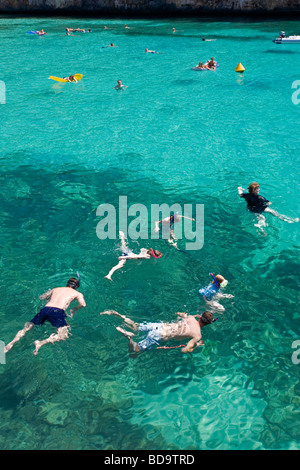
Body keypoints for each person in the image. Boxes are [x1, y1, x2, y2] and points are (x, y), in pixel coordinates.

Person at [4, 275, 86, 356]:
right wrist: (74, 309)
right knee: (63, 335)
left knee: (27, 327)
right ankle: (40, 343)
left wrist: (48, 300)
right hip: (58, 311)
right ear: (76, 286)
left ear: (67, 284)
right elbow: (83, 304)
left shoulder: (56, 289)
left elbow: (42, 297)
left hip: (46, 309)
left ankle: (12, 342)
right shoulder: (77, 293)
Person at [100, 309, 217, 354]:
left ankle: (118, 314)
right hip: (160, 336)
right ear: (208, 324)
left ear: (200, 317)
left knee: (135, 326)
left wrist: (192, 315)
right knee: (135, 352)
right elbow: (184, 349)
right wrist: (194, 346)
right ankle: (129, 337)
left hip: (160, 325)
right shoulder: (197, 335)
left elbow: (179, 313)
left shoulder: (191, 317)